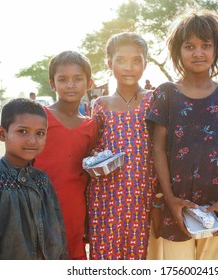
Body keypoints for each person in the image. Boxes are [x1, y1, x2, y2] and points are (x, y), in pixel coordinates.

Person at [146, 9, 218, 260]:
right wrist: (170, 199)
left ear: (216, 50)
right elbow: (158, 148)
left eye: (205, 45)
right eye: (189, 46)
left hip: (216, 204)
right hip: (176, 204)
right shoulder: (166, 93)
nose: (198, 52)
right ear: (178, 52)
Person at [0, 98, 68, 260]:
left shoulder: (42, 180)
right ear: (2, 133)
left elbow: (58, 232)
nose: (32, 140)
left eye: (40, 133)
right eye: (22, 131)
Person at [88, 32, 156, 260]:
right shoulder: (100, 105)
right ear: (110, 63)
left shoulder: (154, 100)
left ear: (145, 64)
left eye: (136, 60)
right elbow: (94, 147)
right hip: (106, 195)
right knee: (106, 257)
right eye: (121, 60)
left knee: (141, 255)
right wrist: (96, 158)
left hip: (143, 193)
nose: (129, 67)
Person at [33, 51, 97, 260]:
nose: (70, 85)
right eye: (63, 79)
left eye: (78, 79)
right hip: (41, 204)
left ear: (89, 83)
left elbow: (88, 167)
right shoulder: (40, 117)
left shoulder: (91, 125)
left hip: (75, 206)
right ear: (52, 83)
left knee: (73, 253)